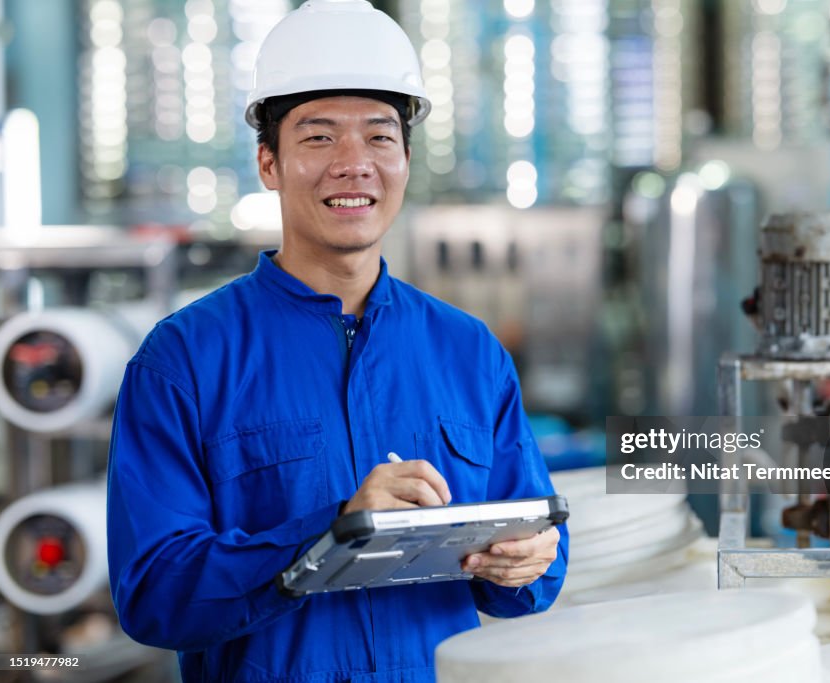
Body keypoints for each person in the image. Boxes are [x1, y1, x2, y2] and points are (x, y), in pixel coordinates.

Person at [105, 1, 568, 681]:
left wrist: (529, 561)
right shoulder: (184, 361)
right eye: (319, 138)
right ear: (269, 162)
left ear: (407, 158)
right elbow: (152, 595)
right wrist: (331, 532)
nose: (354, 164)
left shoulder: (469, 352)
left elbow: (532, 569)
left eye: (380, 137)